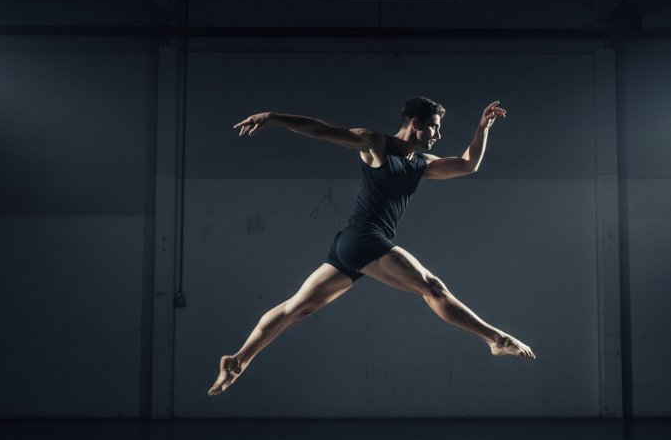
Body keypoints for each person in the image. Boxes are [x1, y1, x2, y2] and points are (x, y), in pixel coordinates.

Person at [209, 97, 535, 396]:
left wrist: (482, 129)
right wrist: (273, 116)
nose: (437, 134)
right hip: (365, 238)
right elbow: (322, 131)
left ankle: (237, 360)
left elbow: (468, 164)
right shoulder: (376, 144)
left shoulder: (420, 164)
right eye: (434, 126)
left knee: (296, 308)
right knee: (432, 287)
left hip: (349, 246)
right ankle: (496, 339)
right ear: (415, 123)